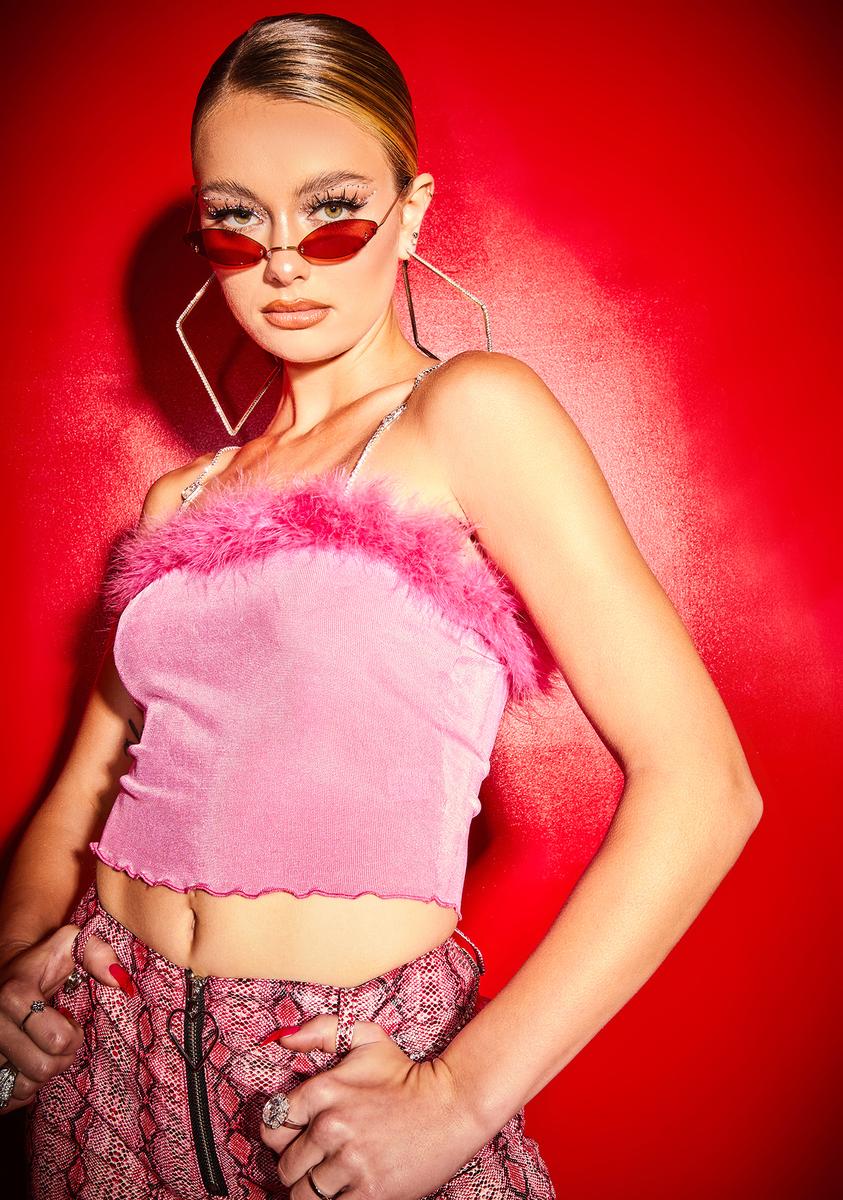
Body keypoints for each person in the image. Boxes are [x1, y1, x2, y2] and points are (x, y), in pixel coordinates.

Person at [0, 13, 763, 1200]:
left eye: (334, 211)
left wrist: (457, 1099)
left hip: (329, 1077)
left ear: (410, 214)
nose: (285, 260)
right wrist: (10, 969)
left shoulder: (471, 414)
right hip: (108, 1061)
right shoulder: (178, 500)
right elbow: (87, 790)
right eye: (237, 219)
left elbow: (706, 786)